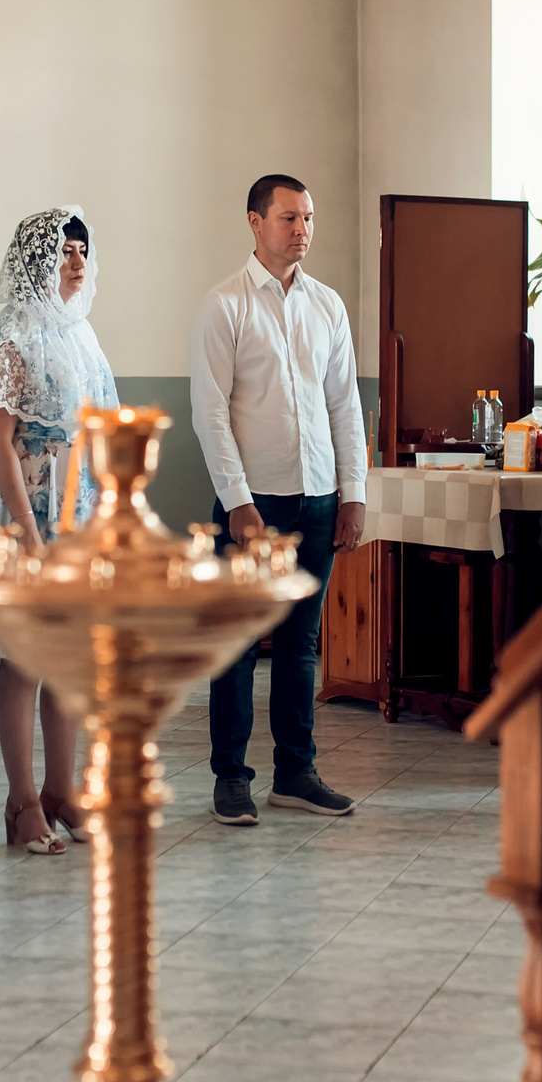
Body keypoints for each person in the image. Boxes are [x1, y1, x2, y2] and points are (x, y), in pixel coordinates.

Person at [189, 173, 364, 826]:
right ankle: (230, 775)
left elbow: (345, 404)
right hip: (252, 504)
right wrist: (235, 499)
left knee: (301, 643)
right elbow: (210, 413)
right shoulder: (225, 305)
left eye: (309, 217)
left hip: (317, 499)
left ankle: (296, 771)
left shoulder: (327, 306)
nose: (302, 229)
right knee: (237, 643)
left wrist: (355, 492)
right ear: (255, 222)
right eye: (289, 217)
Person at [0, 207, 118, 855]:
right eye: (63, 249)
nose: (76, 261)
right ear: (36, 257)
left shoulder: (80, 331)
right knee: (28, 658)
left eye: (82, 249)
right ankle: (22, 800)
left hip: (80, 511)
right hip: (29, 510)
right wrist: (28, 531)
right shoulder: (14, 331)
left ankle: (63, 790)